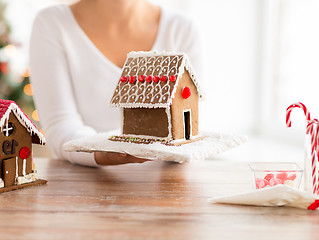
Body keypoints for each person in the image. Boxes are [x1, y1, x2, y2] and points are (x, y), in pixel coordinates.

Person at [29, 0, 202, 167]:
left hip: (169, 183)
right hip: (85, 184)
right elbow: (61, 125)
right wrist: (102, 152)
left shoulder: (181, 29)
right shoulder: (52, 23)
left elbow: (190, 121)